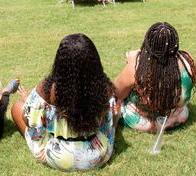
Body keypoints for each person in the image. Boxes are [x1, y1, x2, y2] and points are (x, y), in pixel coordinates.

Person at [11, 34, 117, 171]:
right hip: (97, 154)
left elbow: (29, 121)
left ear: (60, 61)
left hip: (59, 157)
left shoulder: (47, 88)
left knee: (16, 108)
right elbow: (109, 119)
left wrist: (30, 103)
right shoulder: (104, 87)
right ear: (94, 61)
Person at [114, 22, 196, 132]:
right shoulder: (187, 60)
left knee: (116, 101)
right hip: (178, 116)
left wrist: (132, 61)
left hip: (145, 121)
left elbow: (116, 92)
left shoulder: (136, 68)